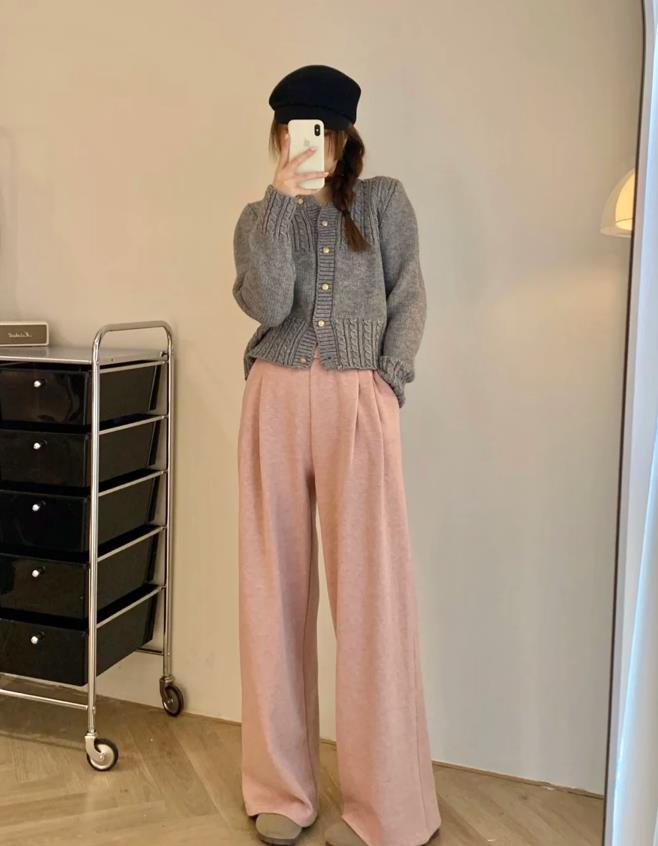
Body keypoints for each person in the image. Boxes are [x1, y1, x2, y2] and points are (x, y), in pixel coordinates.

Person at [232, 64, 442, 846]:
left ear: (346, 133)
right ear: (280, 134)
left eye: (320, 128)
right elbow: (266, 302)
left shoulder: (383, 201)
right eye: (295, 128)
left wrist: (388, 381)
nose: (308, 141)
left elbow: (409, 294)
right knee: (272, 596)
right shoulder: (260, 216)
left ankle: (387, 801)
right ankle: (280, 790)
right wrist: (280, 203)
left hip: (359, 401)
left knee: (373, 600)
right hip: (275, 400)